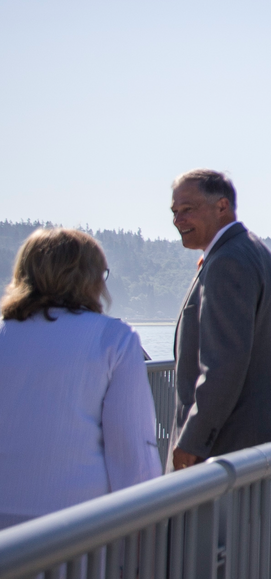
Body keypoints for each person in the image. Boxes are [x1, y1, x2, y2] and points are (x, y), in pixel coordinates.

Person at [0, 228, 163, 532]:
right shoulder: (113, 338)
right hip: (78, 529)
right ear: (89, 277)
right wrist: (148, 538)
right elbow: (132, 453)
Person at [169, 169, 271, 468]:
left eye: (187, 209)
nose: (178, 220)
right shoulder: (249, 250)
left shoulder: (228, 261)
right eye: (175, 212)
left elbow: (223, 365)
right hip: (259, 445)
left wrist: (192, 442)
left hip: (235, 452)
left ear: (222, 206)